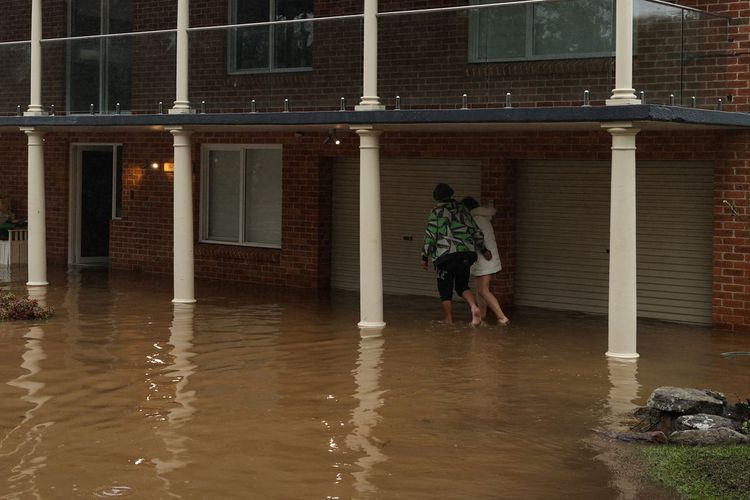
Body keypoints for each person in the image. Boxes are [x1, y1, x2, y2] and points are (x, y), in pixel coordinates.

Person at [421, 183, 491, 326]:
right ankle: (473, 307)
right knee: (462, 286)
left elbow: (430, 235)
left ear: (436, 197)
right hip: (466, 254)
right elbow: (475, 231)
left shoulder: (436, 212)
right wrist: (483, 249)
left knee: (445, 288)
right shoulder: (463, 209)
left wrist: (424, 256)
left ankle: (448, 319)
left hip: (445, 255)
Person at [461, 196, 510, 326]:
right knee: (479, 289)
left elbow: (477, 239)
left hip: (484, 259)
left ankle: (502, 317)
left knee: (483, 290)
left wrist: (483, 252)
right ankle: (481, 317)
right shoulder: (483, 218)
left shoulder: (475, 220)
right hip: (484, 259)